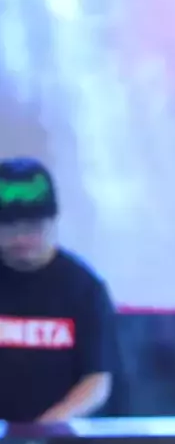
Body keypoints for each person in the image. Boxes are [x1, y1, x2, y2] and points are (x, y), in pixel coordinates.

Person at [0, 157, 116, 422]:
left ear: (52, 221)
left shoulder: (84, 288)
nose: (21, 239)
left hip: (59, 436)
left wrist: (45, 429)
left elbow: (97, 381)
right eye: (8, 227)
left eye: (32, 227)